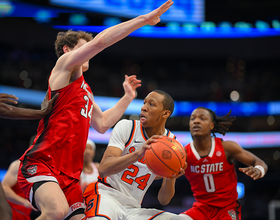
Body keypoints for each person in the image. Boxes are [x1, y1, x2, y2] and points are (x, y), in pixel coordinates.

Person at [17, 1, 173, 219]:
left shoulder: (85, 92)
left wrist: (128, 98)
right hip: (43, 163)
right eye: (84, 48)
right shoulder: (64, 67)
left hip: (70, 175)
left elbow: (102, 123)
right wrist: (143, 20)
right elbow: (100, 42)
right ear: (67, 50)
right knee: (56, 211)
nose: (89, 52)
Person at [83, 90, 187, 220]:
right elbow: (103, 170)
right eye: (144, 103)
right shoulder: (127, 127)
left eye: (151, 104)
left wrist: (171, 177)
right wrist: (138, 153)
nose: (144, 107)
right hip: (107, 195)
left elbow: (164, 200)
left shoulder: (172, 145)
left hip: (134, 207)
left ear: (165, 113)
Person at [179, 107, 268, 220]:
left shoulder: (226, 147)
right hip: (201, 208)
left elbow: (260, 162)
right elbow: (161, 178)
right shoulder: (183, 154)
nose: (196, 121)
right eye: (192, 119)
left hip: (227, 208)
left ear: (211, 125)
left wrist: (259, 170)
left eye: (202, 118)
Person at [0, 92, 58, 220]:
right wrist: (24, 202)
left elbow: (6, 111)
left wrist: (42, 113)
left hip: (24, 215)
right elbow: (5, 187)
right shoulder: (18, 165)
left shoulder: (48, 169)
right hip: (14, 211)